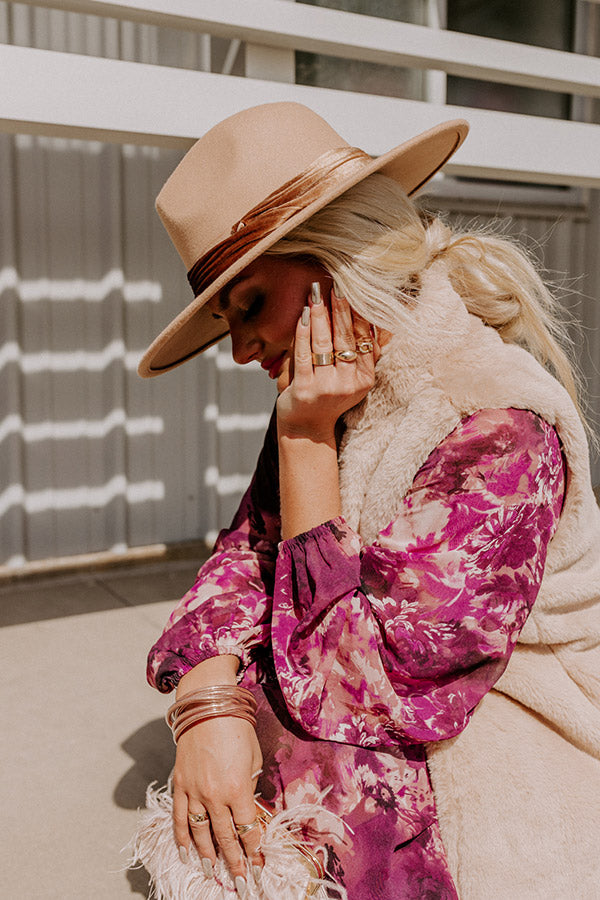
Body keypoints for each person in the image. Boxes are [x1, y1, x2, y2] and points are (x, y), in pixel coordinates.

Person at [137, 102, 600, 899]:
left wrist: (306, 444)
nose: (242, 350)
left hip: (509, 704)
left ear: (341, 260)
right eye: (227, 321)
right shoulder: (337, 392)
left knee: (325, 796)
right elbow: (246, 558)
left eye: (249, 305)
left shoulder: (499, 424)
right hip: (378, 682)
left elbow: (362, 688)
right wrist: (208, 702)